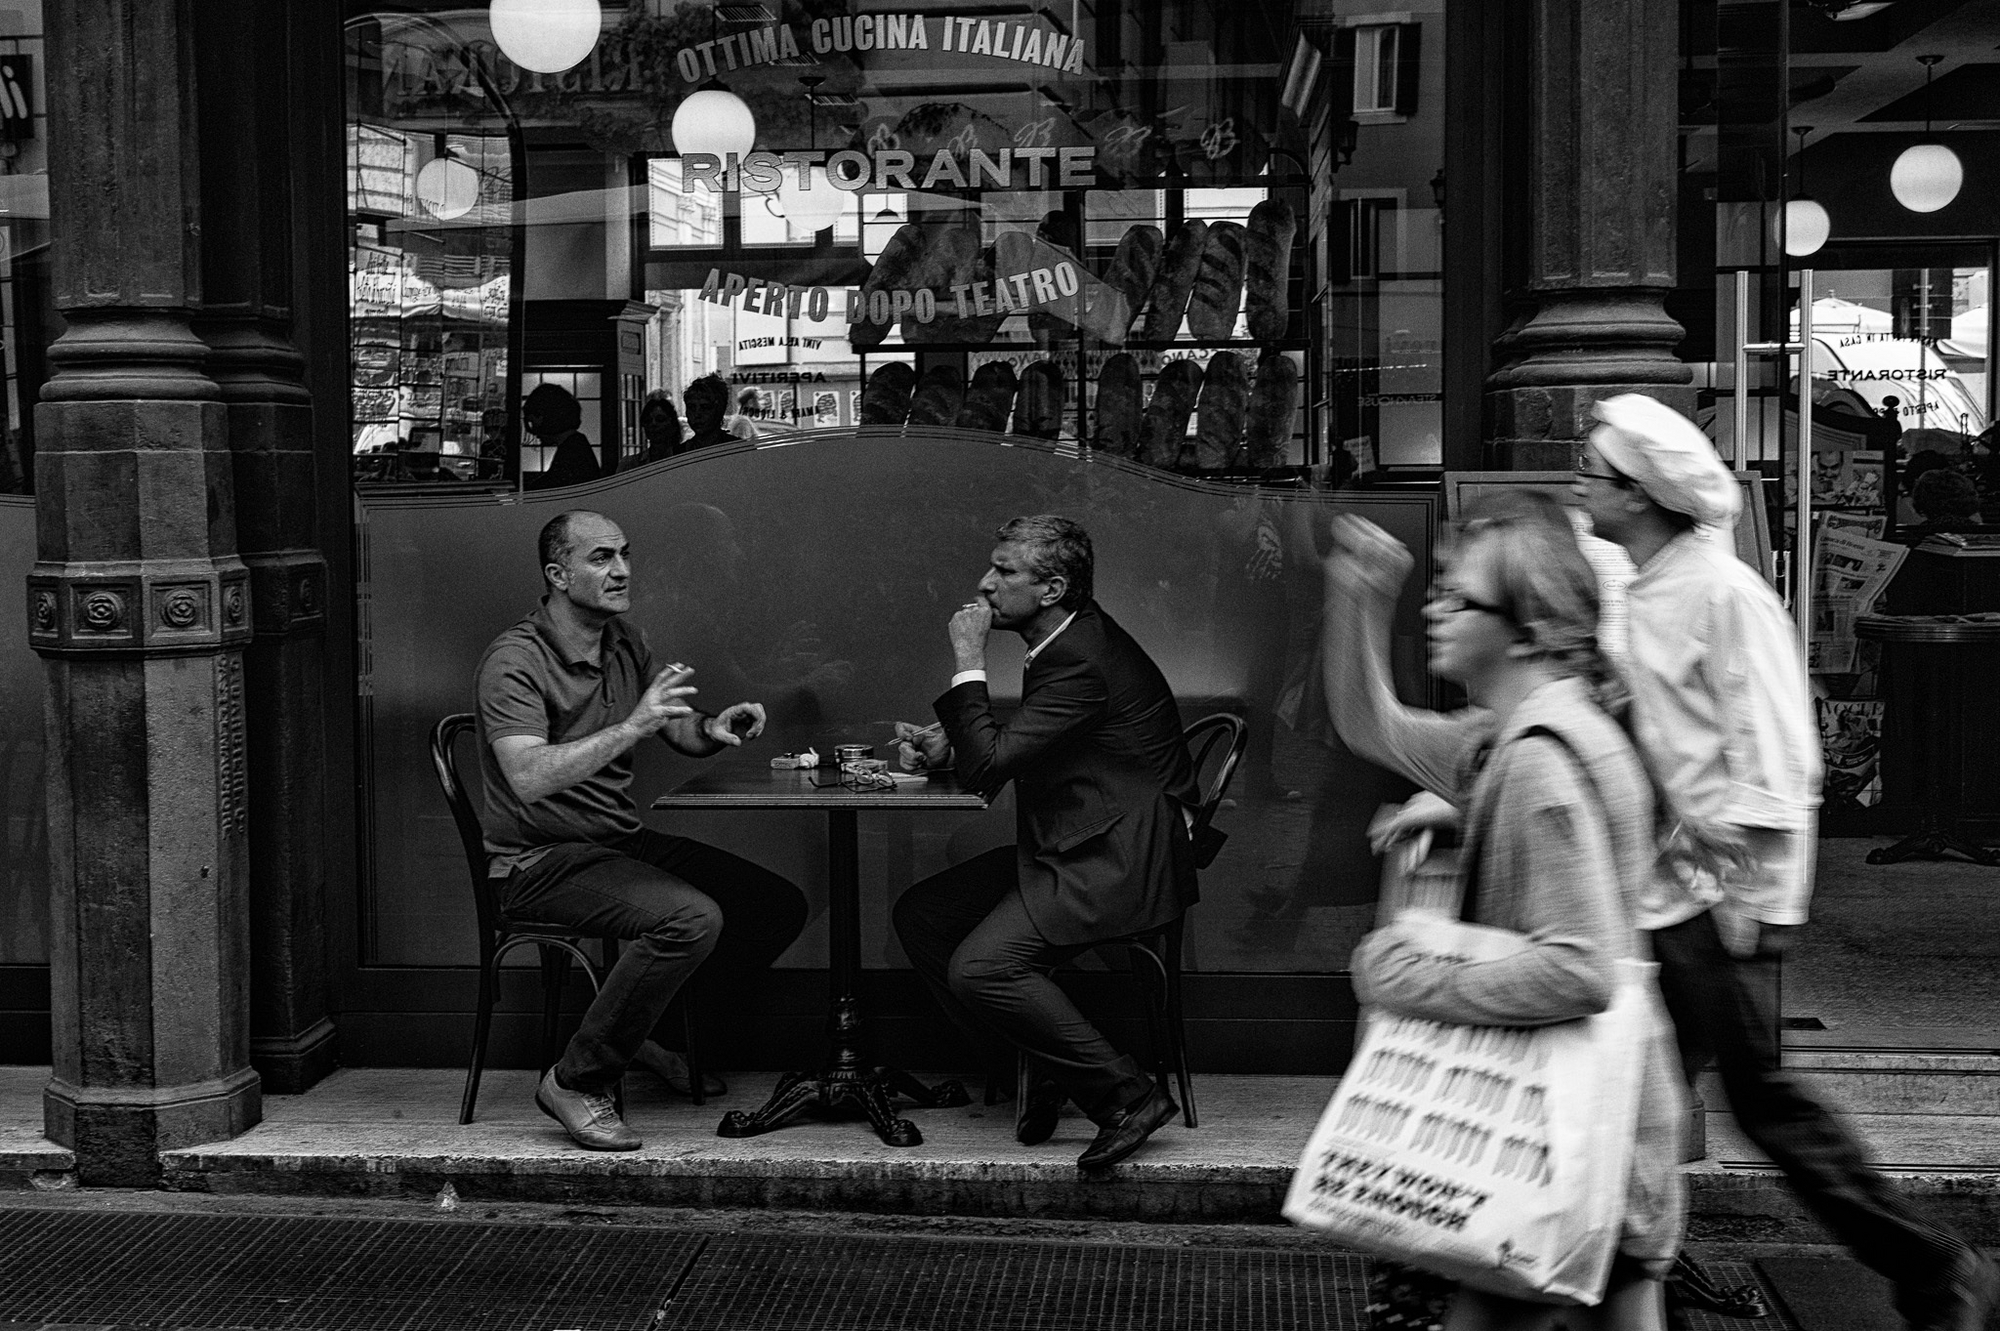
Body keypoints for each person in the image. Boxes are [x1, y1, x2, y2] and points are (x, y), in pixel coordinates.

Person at [1574, 393, 1998, 1331]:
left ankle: (1936, 1264)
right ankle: (1640, 1273)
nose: (1580, 491)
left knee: (1762, 1105)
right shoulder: (1637, 581)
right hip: (1663, 894)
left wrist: (1755, 908)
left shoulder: (1723, 595)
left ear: (1638, 494)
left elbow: (1777, 761)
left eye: (1592, 477)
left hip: (1716, 902)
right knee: (1641, 1098)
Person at [1323, 492, 1685, 1331]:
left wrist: (1399, 973)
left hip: (1559, 1137)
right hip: (1596, 1124)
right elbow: (1372, 724)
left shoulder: (1533, 765)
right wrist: (1358, 596)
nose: (1435, 609)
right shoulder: (1518, 736)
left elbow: (1579, 967)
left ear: (1526, 630)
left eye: (1460, 598)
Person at [475, 510, 809, 1151]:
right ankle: (576, 1080)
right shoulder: (514, 659)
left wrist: (711, 728)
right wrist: (632, 726)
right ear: (558, 575)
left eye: (625, 554)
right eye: (602, 557)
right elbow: (528, 776)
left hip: (615, 844)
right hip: (537, 861)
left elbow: (672, 724)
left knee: (771, 904)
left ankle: (652, 1037)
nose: (622, 570)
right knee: (691, 918)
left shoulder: (623, 640)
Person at [890, 515, 1199, 1170]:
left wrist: (968, 662)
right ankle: (1038, 1071)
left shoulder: (1080, 656)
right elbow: (1026, 743)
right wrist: (956, 743)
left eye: (1004, 571)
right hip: (1079, 839)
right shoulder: (1067, 641)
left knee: (981, 967)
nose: (985, 582)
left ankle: (1127, 1098)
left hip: (1119, 857)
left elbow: (990, 767)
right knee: (923, 915)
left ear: (1052, 588)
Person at [525, 383, 607, 488]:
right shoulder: (575, 444)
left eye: (533, 422)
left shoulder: (572, 450)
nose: (534, 433)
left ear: (547, 418)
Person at [680, 375, 739, 452]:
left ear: (719, 409)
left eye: (705, 407)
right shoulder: (679, 452)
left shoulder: (738, 449)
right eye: (691, 407)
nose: (697, 414)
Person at [639, 390, 686, 465]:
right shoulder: (630, 464)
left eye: (660, 420)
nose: (653, 424)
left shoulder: (685, 458)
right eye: (648, 420)